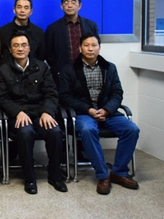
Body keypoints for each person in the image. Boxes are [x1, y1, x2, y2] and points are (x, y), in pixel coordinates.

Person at [59, 33, 139, 195]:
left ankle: (119, 172)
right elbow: (65, 96)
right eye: (86, 45)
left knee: (131, 129)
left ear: (99, 48)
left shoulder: (110, 68)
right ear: (79, 48)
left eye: (94, 45)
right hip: (84, 113)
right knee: (87, 130)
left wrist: (107, 110)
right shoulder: (69, 70)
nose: (90, 49)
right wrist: (88, 109)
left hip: (108, 113)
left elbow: (117, 93)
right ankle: (103, 175)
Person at [0, 31, 67, 194]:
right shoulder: (2, 71)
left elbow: (51, 93)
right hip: (17, 116)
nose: (20, 49)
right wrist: (18, 112)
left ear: (29, 48)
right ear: (10, 49)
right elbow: (2, 98)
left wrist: (47, 112)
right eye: (16, 46)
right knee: (25, 133)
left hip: (41, 114)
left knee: (55, 132)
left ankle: (55, 176)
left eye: (23, 45)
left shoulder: (42, 67)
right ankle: (30, 178)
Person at [45, 0, 98, 86]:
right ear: (62, 6)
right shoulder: (53, 28)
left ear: (80, 5)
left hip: (86, 72)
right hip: (62, 75)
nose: (70, 5)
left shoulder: (91, 26)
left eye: (73, 2)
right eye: (66, 2)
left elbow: (95, 48)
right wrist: (57, 69)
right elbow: (48, 53)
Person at [0, 0, 45, 66]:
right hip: (8, 71)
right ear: (14, 10)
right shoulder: (3, 32)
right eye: (19, 7)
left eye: (26, 7)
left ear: (31, 12)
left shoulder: (38, 32)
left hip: (33, 71)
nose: (22, 10)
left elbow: (41, 56)